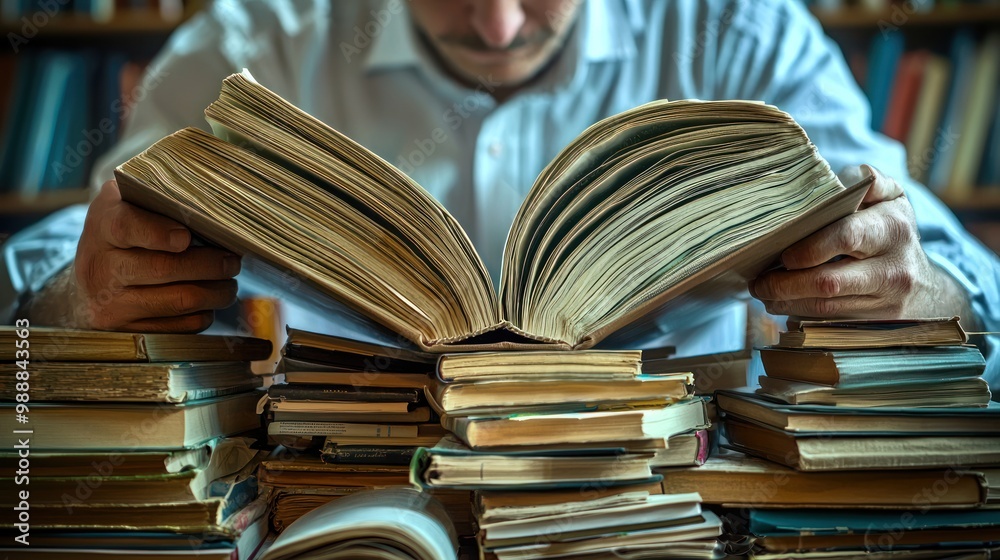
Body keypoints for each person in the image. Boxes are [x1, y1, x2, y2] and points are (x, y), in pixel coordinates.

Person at [3, 0, 998, 387]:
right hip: (343, 489)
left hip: (668, 499)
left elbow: (957, 272)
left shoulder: (738, 31)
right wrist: (78, 298)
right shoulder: (258, 43)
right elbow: (58, 258)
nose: (499, 25)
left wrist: (915, 287)